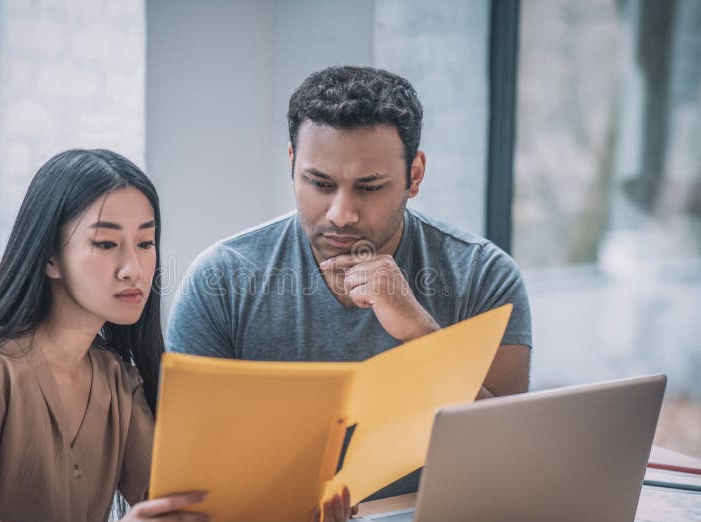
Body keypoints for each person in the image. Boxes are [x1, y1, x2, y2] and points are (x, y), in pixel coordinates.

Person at [0, 149, 351, 522]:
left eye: (146, 243)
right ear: (50, 258)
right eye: (105, 244)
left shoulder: (119, 379)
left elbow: (178, 510)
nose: (133, 268)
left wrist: (295, 514)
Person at [166, 66, 533, 498]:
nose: (342, 213)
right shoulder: (221, 280)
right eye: (319, 183)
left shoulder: (485, 276)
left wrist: (420, 333)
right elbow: (188, 476)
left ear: (414, 176)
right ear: (291, 164)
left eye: (370, 187)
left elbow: (510, 459)